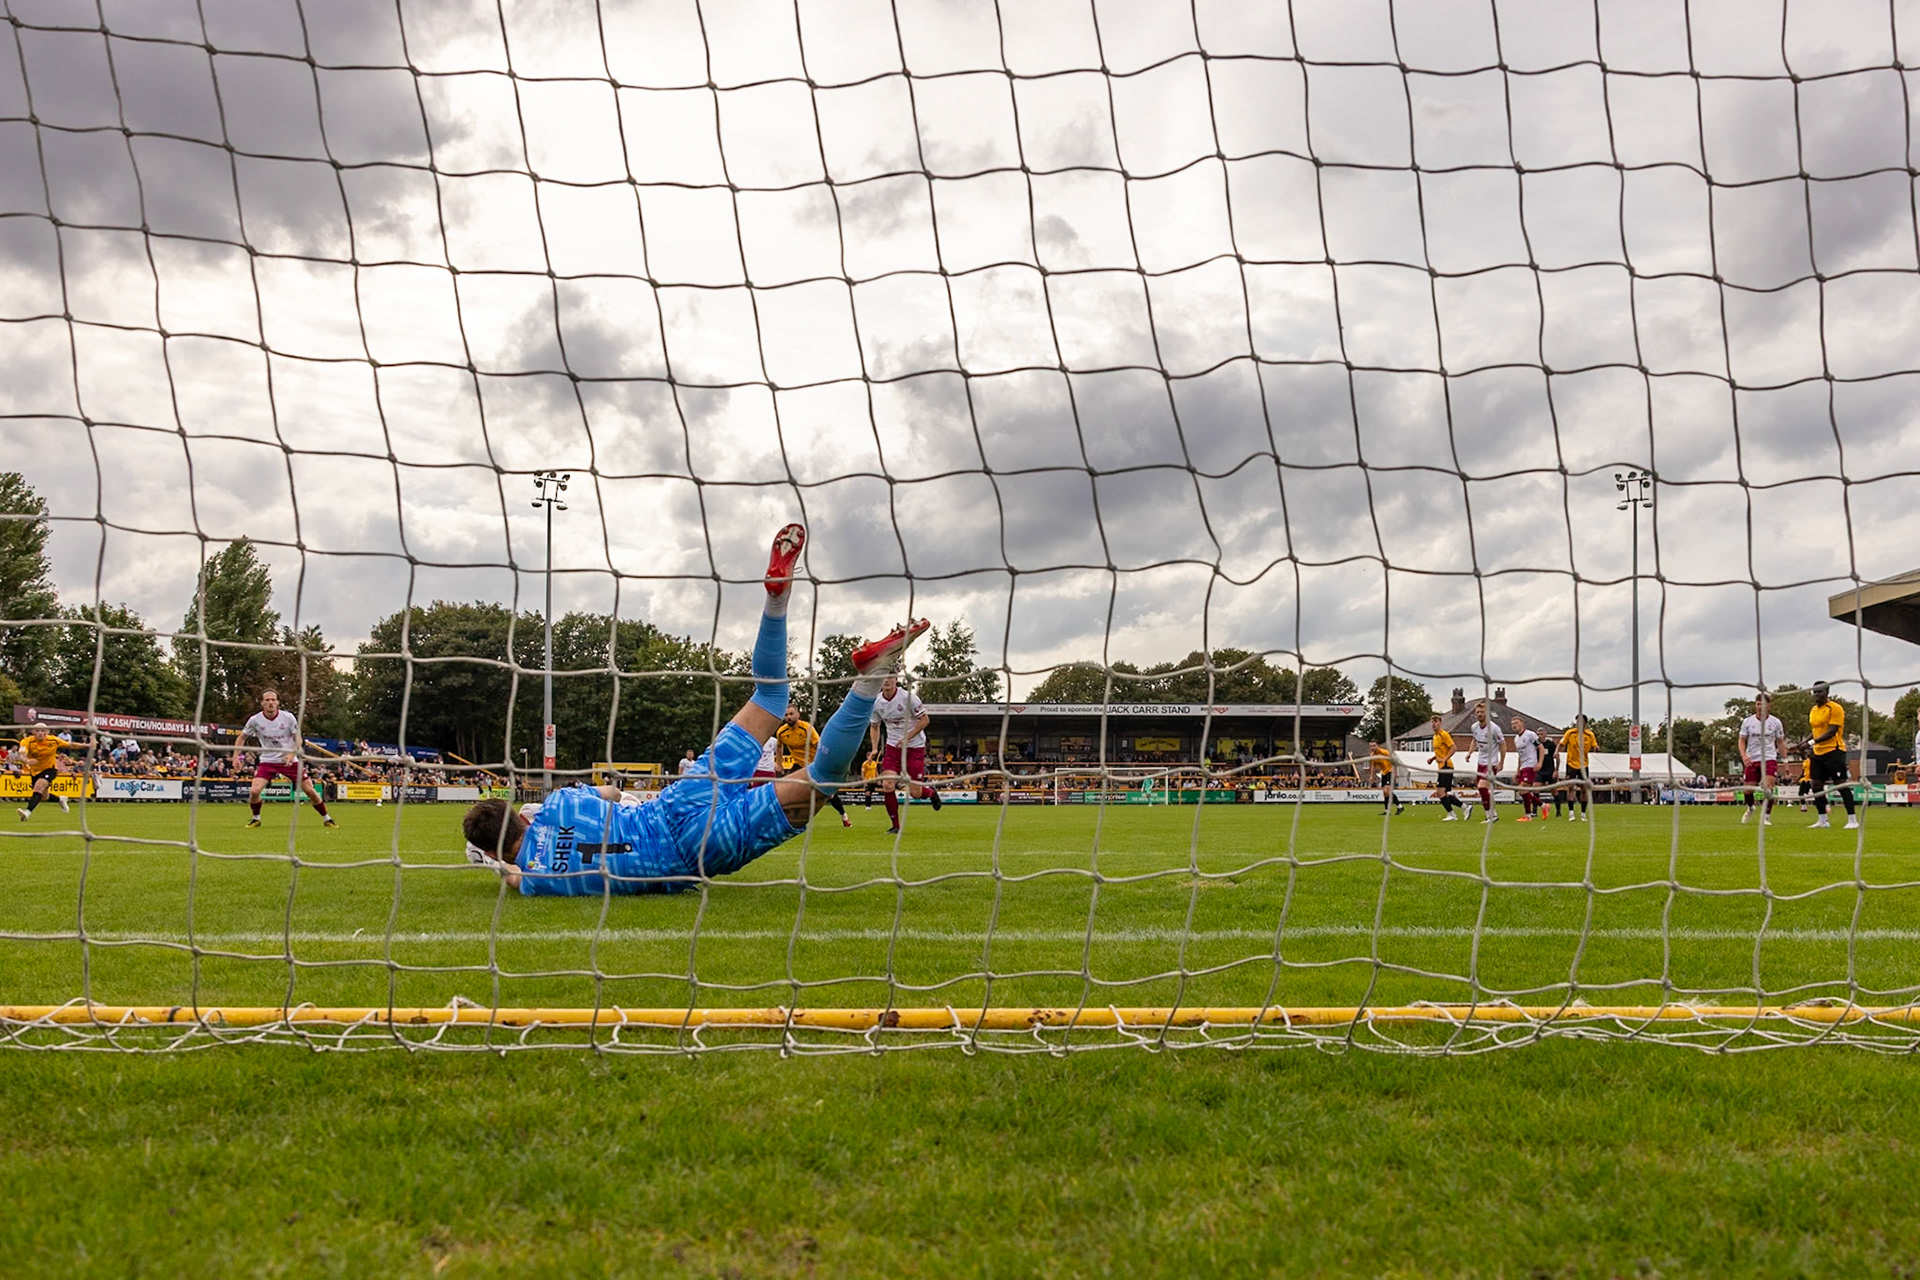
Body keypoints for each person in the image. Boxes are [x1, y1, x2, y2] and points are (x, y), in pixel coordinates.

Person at [463, 524, 932, 895]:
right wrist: (543, 807)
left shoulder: (539, 878)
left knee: (826, 778)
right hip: (677, 802)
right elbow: (608, 794)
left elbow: (513, 877)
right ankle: (777, 600)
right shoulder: (559, 804)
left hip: (694, 852)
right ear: (519, 817)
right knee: (770, 697)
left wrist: (499, 861)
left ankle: (869, 681)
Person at [240, 689, 335, 828]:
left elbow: (298, 738)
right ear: (262, 703)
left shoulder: (288, 717)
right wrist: (236, 757)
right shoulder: (255, 720)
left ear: (278, 702)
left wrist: (291, 754)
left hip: (290, 761)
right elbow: (241, 736)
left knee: (310, 791)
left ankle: (327, 818)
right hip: (268, 760)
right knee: (254, 791)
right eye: (267, 700)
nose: (270, 703)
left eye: (273, 700)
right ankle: (256, 818)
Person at [868, 673, 943, 836]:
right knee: (888, 784)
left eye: (890, 677)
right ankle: (895, 826)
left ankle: (930, 792)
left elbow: (925, 720)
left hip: (914, 748)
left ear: (896, 680)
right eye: (884, 677)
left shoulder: (908, 698)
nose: (886, 680)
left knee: (916, 793)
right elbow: (874, 727)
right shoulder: (876, 703)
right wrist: (874, 748)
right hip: (892, 748)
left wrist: (907, 737)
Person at [777, 705, 851, 828]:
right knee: (788, 789)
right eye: (786, 715)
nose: (788, 717)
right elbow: (779, 746)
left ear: (798, 715)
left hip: (815, 764)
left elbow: (819, 746)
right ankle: (791, 820)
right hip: (799, 764)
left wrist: (825, 764)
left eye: (791, 714)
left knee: (830, 794)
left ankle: (844, 817)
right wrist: (778, 763)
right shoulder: (782, 732)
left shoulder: (806, 728)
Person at [1806, 680, 1857, 829]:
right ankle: (1823, 820)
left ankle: (1852, 820)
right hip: (1817, 753)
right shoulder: (1814, 710)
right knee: (1816, 785)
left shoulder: (1835, 708)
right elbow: (1815, 731)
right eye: (1814, 692)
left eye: (1819, 692)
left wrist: (1811, 743)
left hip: (1834, 751)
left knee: (1840, 785)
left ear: (1827, 692)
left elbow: (1832, 730)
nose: (1816, 695)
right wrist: (1803, 742)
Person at [1738, 694, 1785, 826]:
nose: (1760, 707)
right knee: (1748, 790)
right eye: (1758, 704)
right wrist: (1743, 755)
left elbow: (1780, 742)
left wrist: (1785, 761)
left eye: (1762, 704)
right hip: (1752, 759)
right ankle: (1750, 807)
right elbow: (1741, 740)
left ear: (1768, 706)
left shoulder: (1776, 722)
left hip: (1769, 758)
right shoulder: (1747, 722)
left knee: (1768, 788)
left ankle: (1766, 817)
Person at [14, 723, 71, 821]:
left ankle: (27, 813)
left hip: (50, 769)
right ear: (33, 731)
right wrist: (27, 760)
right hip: (35, 771)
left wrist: (88, 745)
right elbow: (21, 754)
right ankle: (61, 799)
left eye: (42, 730)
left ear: (47, 732)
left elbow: (71, 745)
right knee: (44, 796)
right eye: (37, 730)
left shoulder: (53, 740)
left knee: (38, 788)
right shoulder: (27, 741)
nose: (40, 733)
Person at [1469, 701, 1503, 823]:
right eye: (1477, 712)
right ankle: (1490, 815)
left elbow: (1503, 745)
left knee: (1481, 786)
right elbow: (1474, 740)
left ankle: (1493, 816)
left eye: (1482, 712)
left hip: (1491, 763)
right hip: (1480, 762)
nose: (1479, 714)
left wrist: (1501, 762)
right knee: (1482, 790)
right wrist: (1469, 752)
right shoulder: (1474, 727)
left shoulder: (1494, 728)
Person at [1559, 715, 1597, 822]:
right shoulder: (1570, 733)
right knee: (1570, 787)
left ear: (1585, 723)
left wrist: (1596, 748)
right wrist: (1557, 752)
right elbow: (1561, 743)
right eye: (1577, 721)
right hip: (1571, 764)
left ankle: (1583, 813)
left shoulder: (1590, 735)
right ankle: (1571, 813)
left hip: (1583, 765)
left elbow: (1595, 745)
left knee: (1584, 789)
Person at [1427, 713, 1464, 820]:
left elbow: (1453, 748)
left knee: (1440, 792)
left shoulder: (1444, 734)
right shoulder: (1435, 737)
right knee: (1444, 793)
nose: (1434, 724)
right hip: (1441, 767)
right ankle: (1465, 807)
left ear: (1440, 723)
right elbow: (1441, 751)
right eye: (1432, 722)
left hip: (1446, 767)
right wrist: (1433, 758)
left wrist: (1445, 759)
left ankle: (1452, 814)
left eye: (1436, 722)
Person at [1511, 717, 1541, 822]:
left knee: (1522, 789)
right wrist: (1517, 770)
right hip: (1523, 766)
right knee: (1523, 791)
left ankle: (1528, 815)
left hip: (1531, 765)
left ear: (1522, 724)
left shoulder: (1530, 735)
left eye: (1516, 723)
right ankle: (1543, 805)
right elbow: (1520, 755)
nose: (1514, 725)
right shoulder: (1516, 739)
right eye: (1513, 724)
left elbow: (1540, 748)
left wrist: (1539, 763)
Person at [1370, 740, 1402, 816]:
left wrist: (1395, 772)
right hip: (1384, 773)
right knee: (1385, 793)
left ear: (1377, 746)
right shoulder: (1372, 755)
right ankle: (1387, 810)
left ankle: (1399, 806)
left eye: (1374, 745)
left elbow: (1393, 761)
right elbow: (1373, 766)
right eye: (1371, 746)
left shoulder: (1384, 752)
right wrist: (1371, 776)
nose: (1372, 748)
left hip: (1390, 772)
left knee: (1387, 791)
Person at [1537, 730, 1560, 820]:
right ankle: (1535, 811)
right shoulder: (1536, 744)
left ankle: (1558, 811)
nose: (1539, 736)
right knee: (1535, 788)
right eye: (1538, 734)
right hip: (1540, 771)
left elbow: (1557, 757)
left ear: (1545, 735)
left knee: (1554, 791)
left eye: (1541, 734)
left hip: (1550, 771)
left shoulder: (1550, 745)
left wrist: (1556, 770)